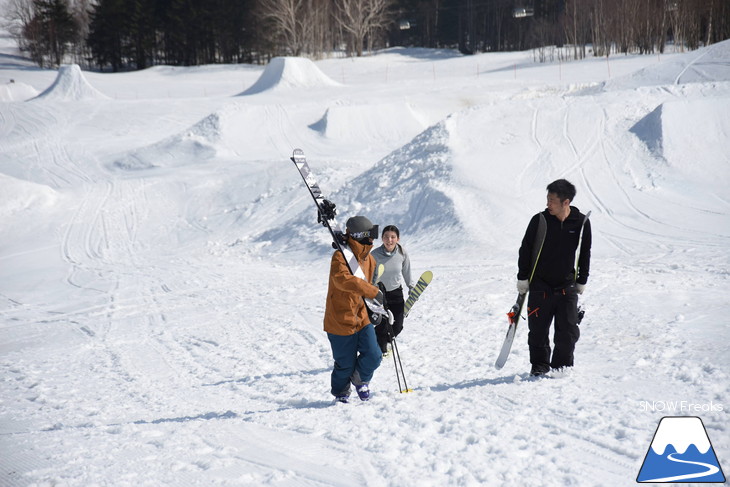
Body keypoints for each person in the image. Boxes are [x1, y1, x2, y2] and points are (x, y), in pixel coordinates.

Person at [517, 179, 592, 376]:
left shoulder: (581, 222)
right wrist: (522, 278)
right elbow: (525, 250)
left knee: (567, 332)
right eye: (547, 199)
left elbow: (585, 253)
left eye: (552, 200)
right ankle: (540, 367)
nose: (548, 204)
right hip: (540, 286)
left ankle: (562, 368)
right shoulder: (539, 220)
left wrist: (582, 280)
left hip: (567, 287)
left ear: (565, 202)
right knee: (538, 332)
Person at [324, 215, 384, 403]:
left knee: (374, 355)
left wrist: (376, 304)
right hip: (341, 320)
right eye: (370, 235)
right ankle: (341, 391)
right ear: (361, 235)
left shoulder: (370, 259)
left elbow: (372, 284)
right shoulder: (340, 257)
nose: (373, 239)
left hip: (362, 317)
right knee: (344, 365)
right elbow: (342, 280)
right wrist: (371, 290)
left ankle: (360, 379)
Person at [371, 225, 416, 355]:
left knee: (398, 325)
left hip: (396, 293)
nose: (389, 240)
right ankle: (381, 349)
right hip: (379, 294)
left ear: (398, 239)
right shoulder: (374, 255)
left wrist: (411, 287)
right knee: (382, 325)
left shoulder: (402, 253)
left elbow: (406, 272)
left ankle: (384, 341)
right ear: (382, 238)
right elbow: (369, 275)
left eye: (392, 237)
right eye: (386, 237)